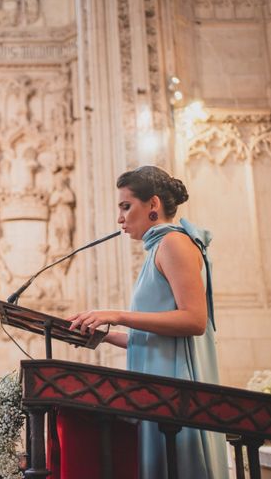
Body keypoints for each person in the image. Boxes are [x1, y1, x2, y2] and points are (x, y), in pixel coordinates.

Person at [68, 165, 228, 479]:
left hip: (175, 391)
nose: (120, 218)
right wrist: (103, 335)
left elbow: (194, 321)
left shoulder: (174, 244)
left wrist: (116, 314)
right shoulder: (158, 248)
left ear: (152, 204)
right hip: (155, 387)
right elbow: (153, 338)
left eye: (126, 206)